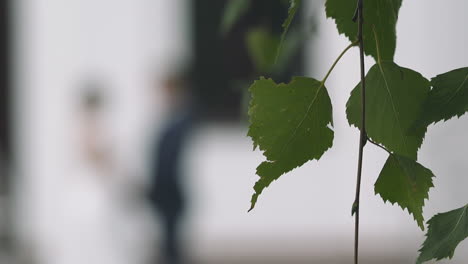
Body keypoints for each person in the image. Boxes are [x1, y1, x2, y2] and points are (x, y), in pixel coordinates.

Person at [148, 70, 195, 264]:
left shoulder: (182, 120)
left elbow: (170, 161)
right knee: (167, 240)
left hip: (171, 190)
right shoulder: (169, 119)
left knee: (172, 242)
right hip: (163, 191)